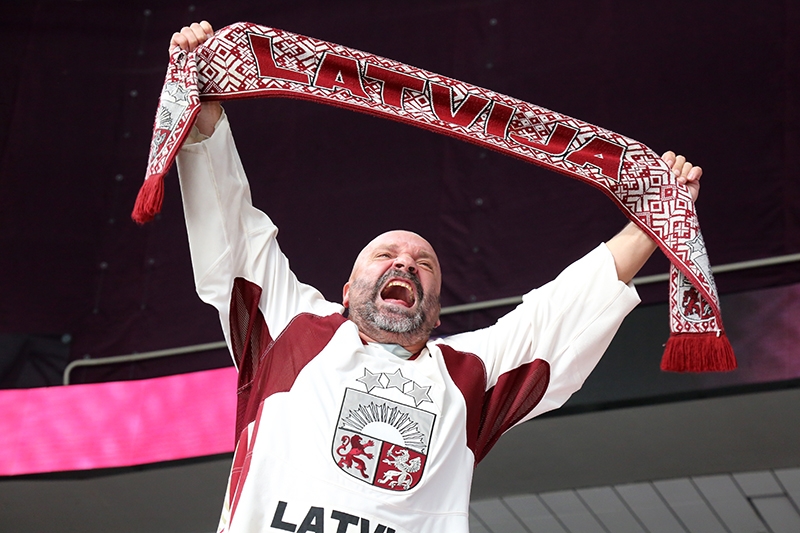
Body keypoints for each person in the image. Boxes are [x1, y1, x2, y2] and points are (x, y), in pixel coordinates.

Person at [171, 22, 702, 533]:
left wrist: (658, 219)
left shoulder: (467, 376)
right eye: (385, 256)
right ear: (346, 292)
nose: (404, 263)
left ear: (437, 311)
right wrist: (206, 106)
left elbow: (558, 317)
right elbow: (235, 237)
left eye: (423, 264)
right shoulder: (292, 328)